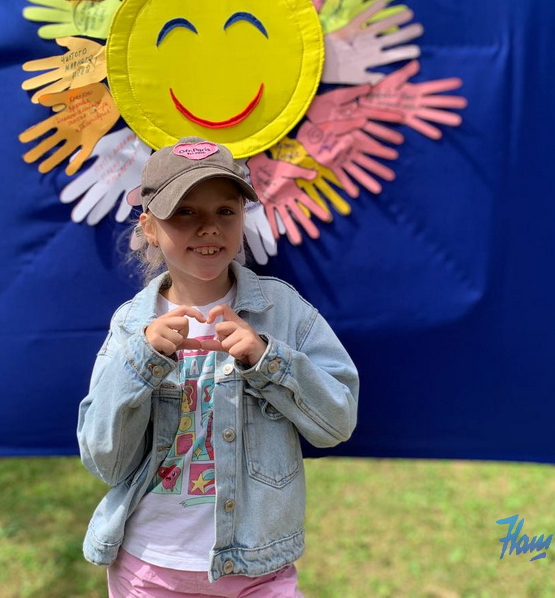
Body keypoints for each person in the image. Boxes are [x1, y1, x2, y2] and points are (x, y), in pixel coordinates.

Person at [77, 136, 360, 597]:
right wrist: (141, 362)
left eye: (225, 211)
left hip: (258, 566)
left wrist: (268, 359)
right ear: (149, 227)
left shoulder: (283, 311)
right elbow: (103, 458)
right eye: (185, 211)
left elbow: (337, 420)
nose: (209, 227)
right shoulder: (132, 324)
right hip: (150, 570)